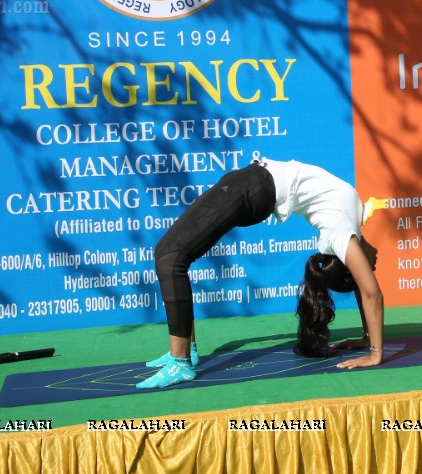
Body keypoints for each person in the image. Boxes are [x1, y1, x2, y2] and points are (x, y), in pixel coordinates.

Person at [137, 158, 384, 389]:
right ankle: (186, 349)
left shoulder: (339, 233)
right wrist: (366, 336)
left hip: (252, 189)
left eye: (364, 268)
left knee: (170, 258)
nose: (372, 264)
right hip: (250, 184)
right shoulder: (352, 223)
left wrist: (375, 354)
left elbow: (371, 294)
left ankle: (180, 363)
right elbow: (362, 284)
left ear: (347, 262)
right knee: (173, 255)